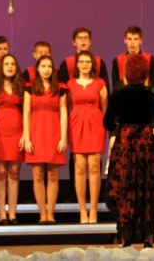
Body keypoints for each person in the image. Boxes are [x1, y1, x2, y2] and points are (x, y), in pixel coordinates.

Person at [103, 53, 154, 248]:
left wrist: (120, 123)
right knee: (148, 187)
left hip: (125, 143)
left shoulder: (118, 94)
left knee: (124, 186)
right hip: (146, 142)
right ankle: (148, 238)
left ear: (127, 72)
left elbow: (107, 122)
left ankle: (126, 237)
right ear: (145, 73)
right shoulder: (152, 95)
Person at [23, 55, 68, 223]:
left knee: (53, 174)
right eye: (43, 66)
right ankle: (42, 214)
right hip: (36, 132)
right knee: (37, 174)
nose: (47, 69)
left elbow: (63, 113)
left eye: (49, 66)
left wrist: (63, 137)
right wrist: (27, 138)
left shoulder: (60, 89)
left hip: (54, 132)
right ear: (37, 68)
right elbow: (26, 114)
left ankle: (51, 214)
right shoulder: (29, 88)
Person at [66, 50, 108, 223]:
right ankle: (82, 210)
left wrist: (101, 125)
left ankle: (94, 210)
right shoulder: (70, 84)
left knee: (94, 166)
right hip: (76, 124)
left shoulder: (100, 83)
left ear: (92, 65)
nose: (84, 64)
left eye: (88, 62)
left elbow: (105, 107)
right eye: (82, 61)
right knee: (79, 167)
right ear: (76, 65)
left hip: (95, 124)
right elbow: (68, 107)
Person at [0, 53, 25, 225]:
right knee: (0, 173)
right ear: (1, 68)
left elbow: (26, 112)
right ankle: (1, 214)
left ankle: (12, 213)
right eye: (6, 64)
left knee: (14, 173)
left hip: (17, 131)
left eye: (12, 64)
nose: (10, 67)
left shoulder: (21, 87)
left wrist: (25, 134)